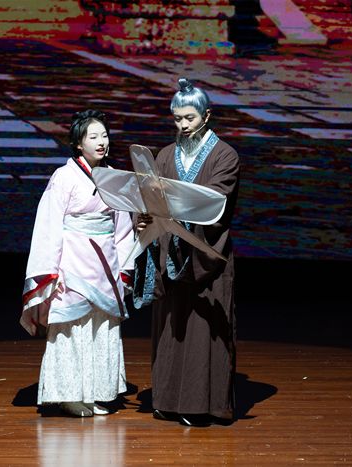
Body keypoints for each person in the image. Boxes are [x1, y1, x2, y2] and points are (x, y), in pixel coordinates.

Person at [135, 78, 240, 427]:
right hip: (171, 253)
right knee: (171, 328)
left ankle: (201, 405)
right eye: (177, 118)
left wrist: (170, 205)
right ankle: (167, 400)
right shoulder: (166, 155)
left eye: (189, 118)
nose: (182, 125)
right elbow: (149, 197)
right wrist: (143, 215)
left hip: (204, 253)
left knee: (203, 331)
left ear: (206, 116)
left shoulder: (225, 155)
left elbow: (215, 200)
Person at [20, 110, 135, 417]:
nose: (101, 142)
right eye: (93, 137)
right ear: (78, 144)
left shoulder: (114, 177)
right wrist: (50, 270)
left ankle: (96, 392)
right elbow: (49, 225)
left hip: (106, 265)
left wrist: (125, 267)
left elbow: (123, 228)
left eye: (104, 135)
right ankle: (69, 395)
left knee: (101, 328)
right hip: (73, 263)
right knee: (72, 329)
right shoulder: (64, 177)